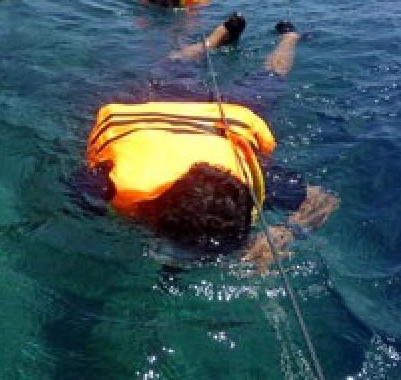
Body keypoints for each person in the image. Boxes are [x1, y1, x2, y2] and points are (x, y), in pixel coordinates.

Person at [77, 15, 338, 269]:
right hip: (207, 110)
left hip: (201, 108)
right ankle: (218, 39)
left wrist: (283, 236)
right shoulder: (104, 187)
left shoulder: (104, 187)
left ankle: (284, 37)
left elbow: (323, 199)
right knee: (266, 78)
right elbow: (322, 199)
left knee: (262, 77)